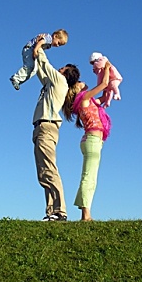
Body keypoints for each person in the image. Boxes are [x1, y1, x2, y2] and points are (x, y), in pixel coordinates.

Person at [32, 46, 80, 221]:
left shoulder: (60, 81)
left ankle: (60, 211)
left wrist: (40, 46)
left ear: (65, 74)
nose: (59, 70)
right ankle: (51, 212)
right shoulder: (51, 84)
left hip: (47, 127)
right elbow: (41, 70)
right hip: (40, 127)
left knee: (50, 169)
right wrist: (35, 56)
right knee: (43, 172)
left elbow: (45, 64)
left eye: (62, 69)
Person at [62, 60, 112, 221]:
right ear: (76, 90)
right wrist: (107, 67)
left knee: (90, 176)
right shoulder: (83, 99)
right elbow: (104, 84)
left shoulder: (88, 100)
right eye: (79, 84)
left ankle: (85, 212)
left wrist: (111, 89)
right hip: (92, 141)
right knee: (89, 177)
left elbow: (103, 96)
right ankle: (86, 215)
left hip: (92, 141)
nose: (83, 84)